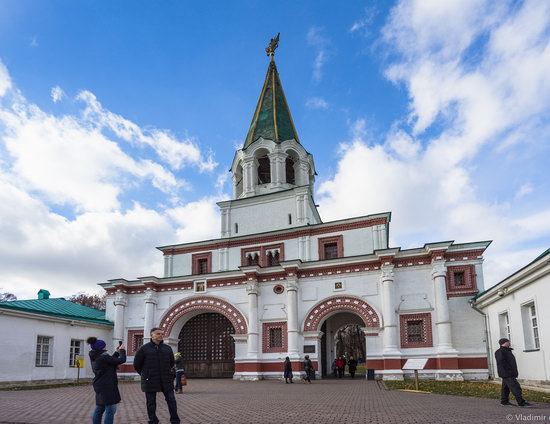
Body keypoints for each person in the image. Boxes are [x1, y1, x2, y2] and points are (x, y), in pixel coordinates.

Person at [134, 328, 181, 424]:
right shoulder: (144, 348)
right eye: (158, 333)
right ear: (152, 335)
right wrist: (145, 374)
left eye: (162, 334)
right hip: (150, 379)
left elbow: (171, 363)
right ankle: (153, 420)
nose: (160, 335)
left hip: (166, 379)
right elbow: (137, 364)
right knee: (151, 402)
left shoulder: (167, 348)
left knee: (171, 400)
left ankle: (175, 420)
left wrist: (169, 374)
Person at [87, 337, 126, 424]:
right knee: (111, 409)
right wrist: (122, 351)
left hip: (100, 384)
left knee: (100, 407)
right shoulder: (103, 357)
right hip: (107, 385)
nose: (105, 347)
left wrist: (117, 352)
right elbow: (122, 360)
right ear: (102, 347)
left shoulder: (96, 356)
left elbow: (110, 361)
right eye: (104, 346)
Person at [495, 338, 532, 407]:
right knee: (515, 387)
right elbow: (501, 363)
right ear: (504, 342)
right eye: (508, 342)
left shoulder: (507, 351)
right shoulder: (500, 352)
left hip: (508, 373)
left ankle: (504, 401)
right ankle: (521, 403)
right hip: (507, 373)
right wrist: (509, 371)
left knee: (505, 388)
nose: (510, 343)